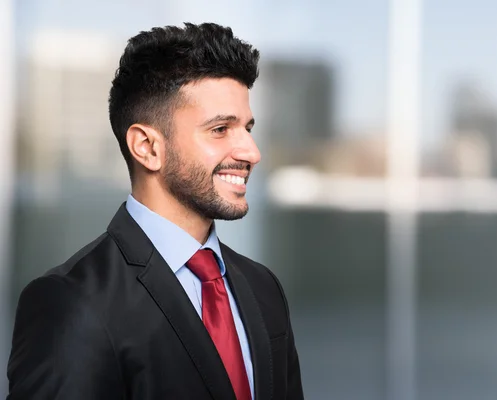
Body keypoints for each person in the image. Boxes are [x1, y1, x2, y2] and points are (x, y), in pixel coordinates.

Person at [6, 22, 303, 400]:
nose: (251, 152)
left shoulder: (263, 288)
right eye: (220, 129)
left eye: (247, 127)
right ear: (146, 147)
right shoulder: (72, 303)